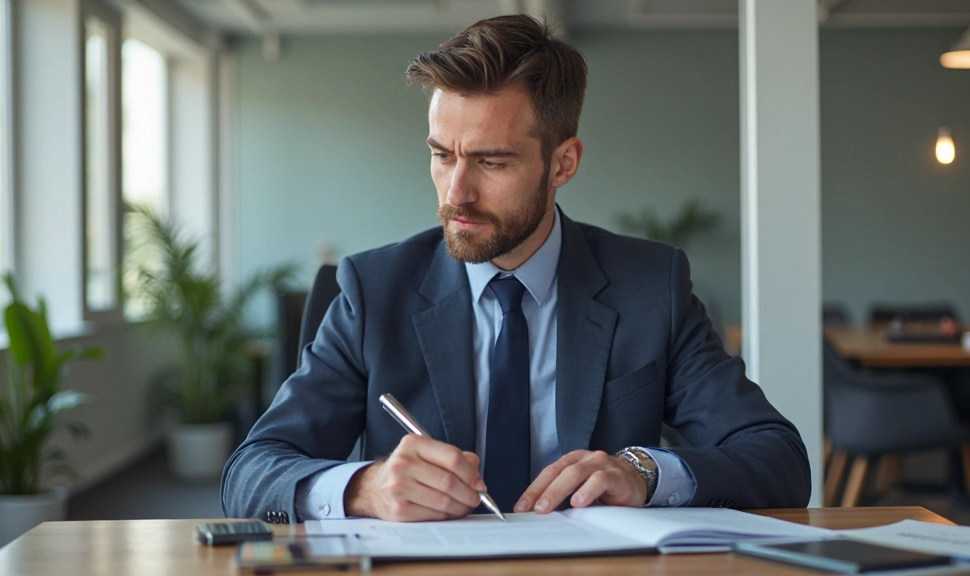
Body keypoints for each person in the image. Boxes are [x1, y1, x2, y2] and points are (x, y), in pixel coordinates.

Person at [221, 14, 810, 524]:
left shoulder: (652, 287)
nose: (457, 192)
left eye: (491, 161)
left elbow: (779, 457)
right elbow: (250, 471)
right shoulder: (373, 291)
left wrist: (647, 471)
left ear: (563, 163)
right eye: (441, 154)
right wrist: (362, 488)